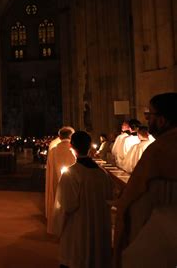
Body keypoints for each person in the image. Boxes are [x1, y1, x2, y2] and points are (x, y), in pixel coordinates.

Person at [114, 93, 177, 268]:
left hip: (156, 241)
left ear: (162, 120)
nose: (147, 121)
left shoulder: (159, 150)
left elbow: (138, 202)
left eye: (150, 116)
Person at [52, 131, 112, 268]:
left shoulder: (71, 174)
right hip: (99, 230)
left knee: (77, 259)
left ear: (72, 147)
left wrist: (58, 228)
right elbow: (110, 198)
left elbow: (66, 206)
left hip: (78, 230)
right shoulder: (103, 173)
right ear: (89, 147)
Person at [45, 126, 76, 234]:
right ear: (71, 136)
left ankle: (57, 227)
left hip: (56, 183)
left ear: (59, 136)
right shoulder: (74, 150)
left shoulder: (53, 150)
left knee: (57, 203)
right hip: (73, 185)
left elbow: (49, 170)